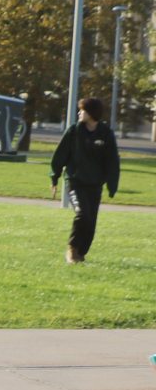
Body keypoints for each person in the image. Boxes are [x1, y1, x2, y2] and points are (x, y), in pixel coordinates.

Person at [50, 96, 120, 264]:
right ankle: (72, 249)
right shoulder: (74, 131)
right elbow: (60, 155)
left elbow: (112, 161)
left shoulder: (106, 134)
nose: (80, 113)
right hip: (75, 182)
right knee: (82, 214)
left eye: (83, 110)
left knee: (91, 222)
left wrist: (112, 184)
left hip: (95, 185)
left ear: (92, 113)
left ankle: (81, 253)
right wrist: (54, 177)